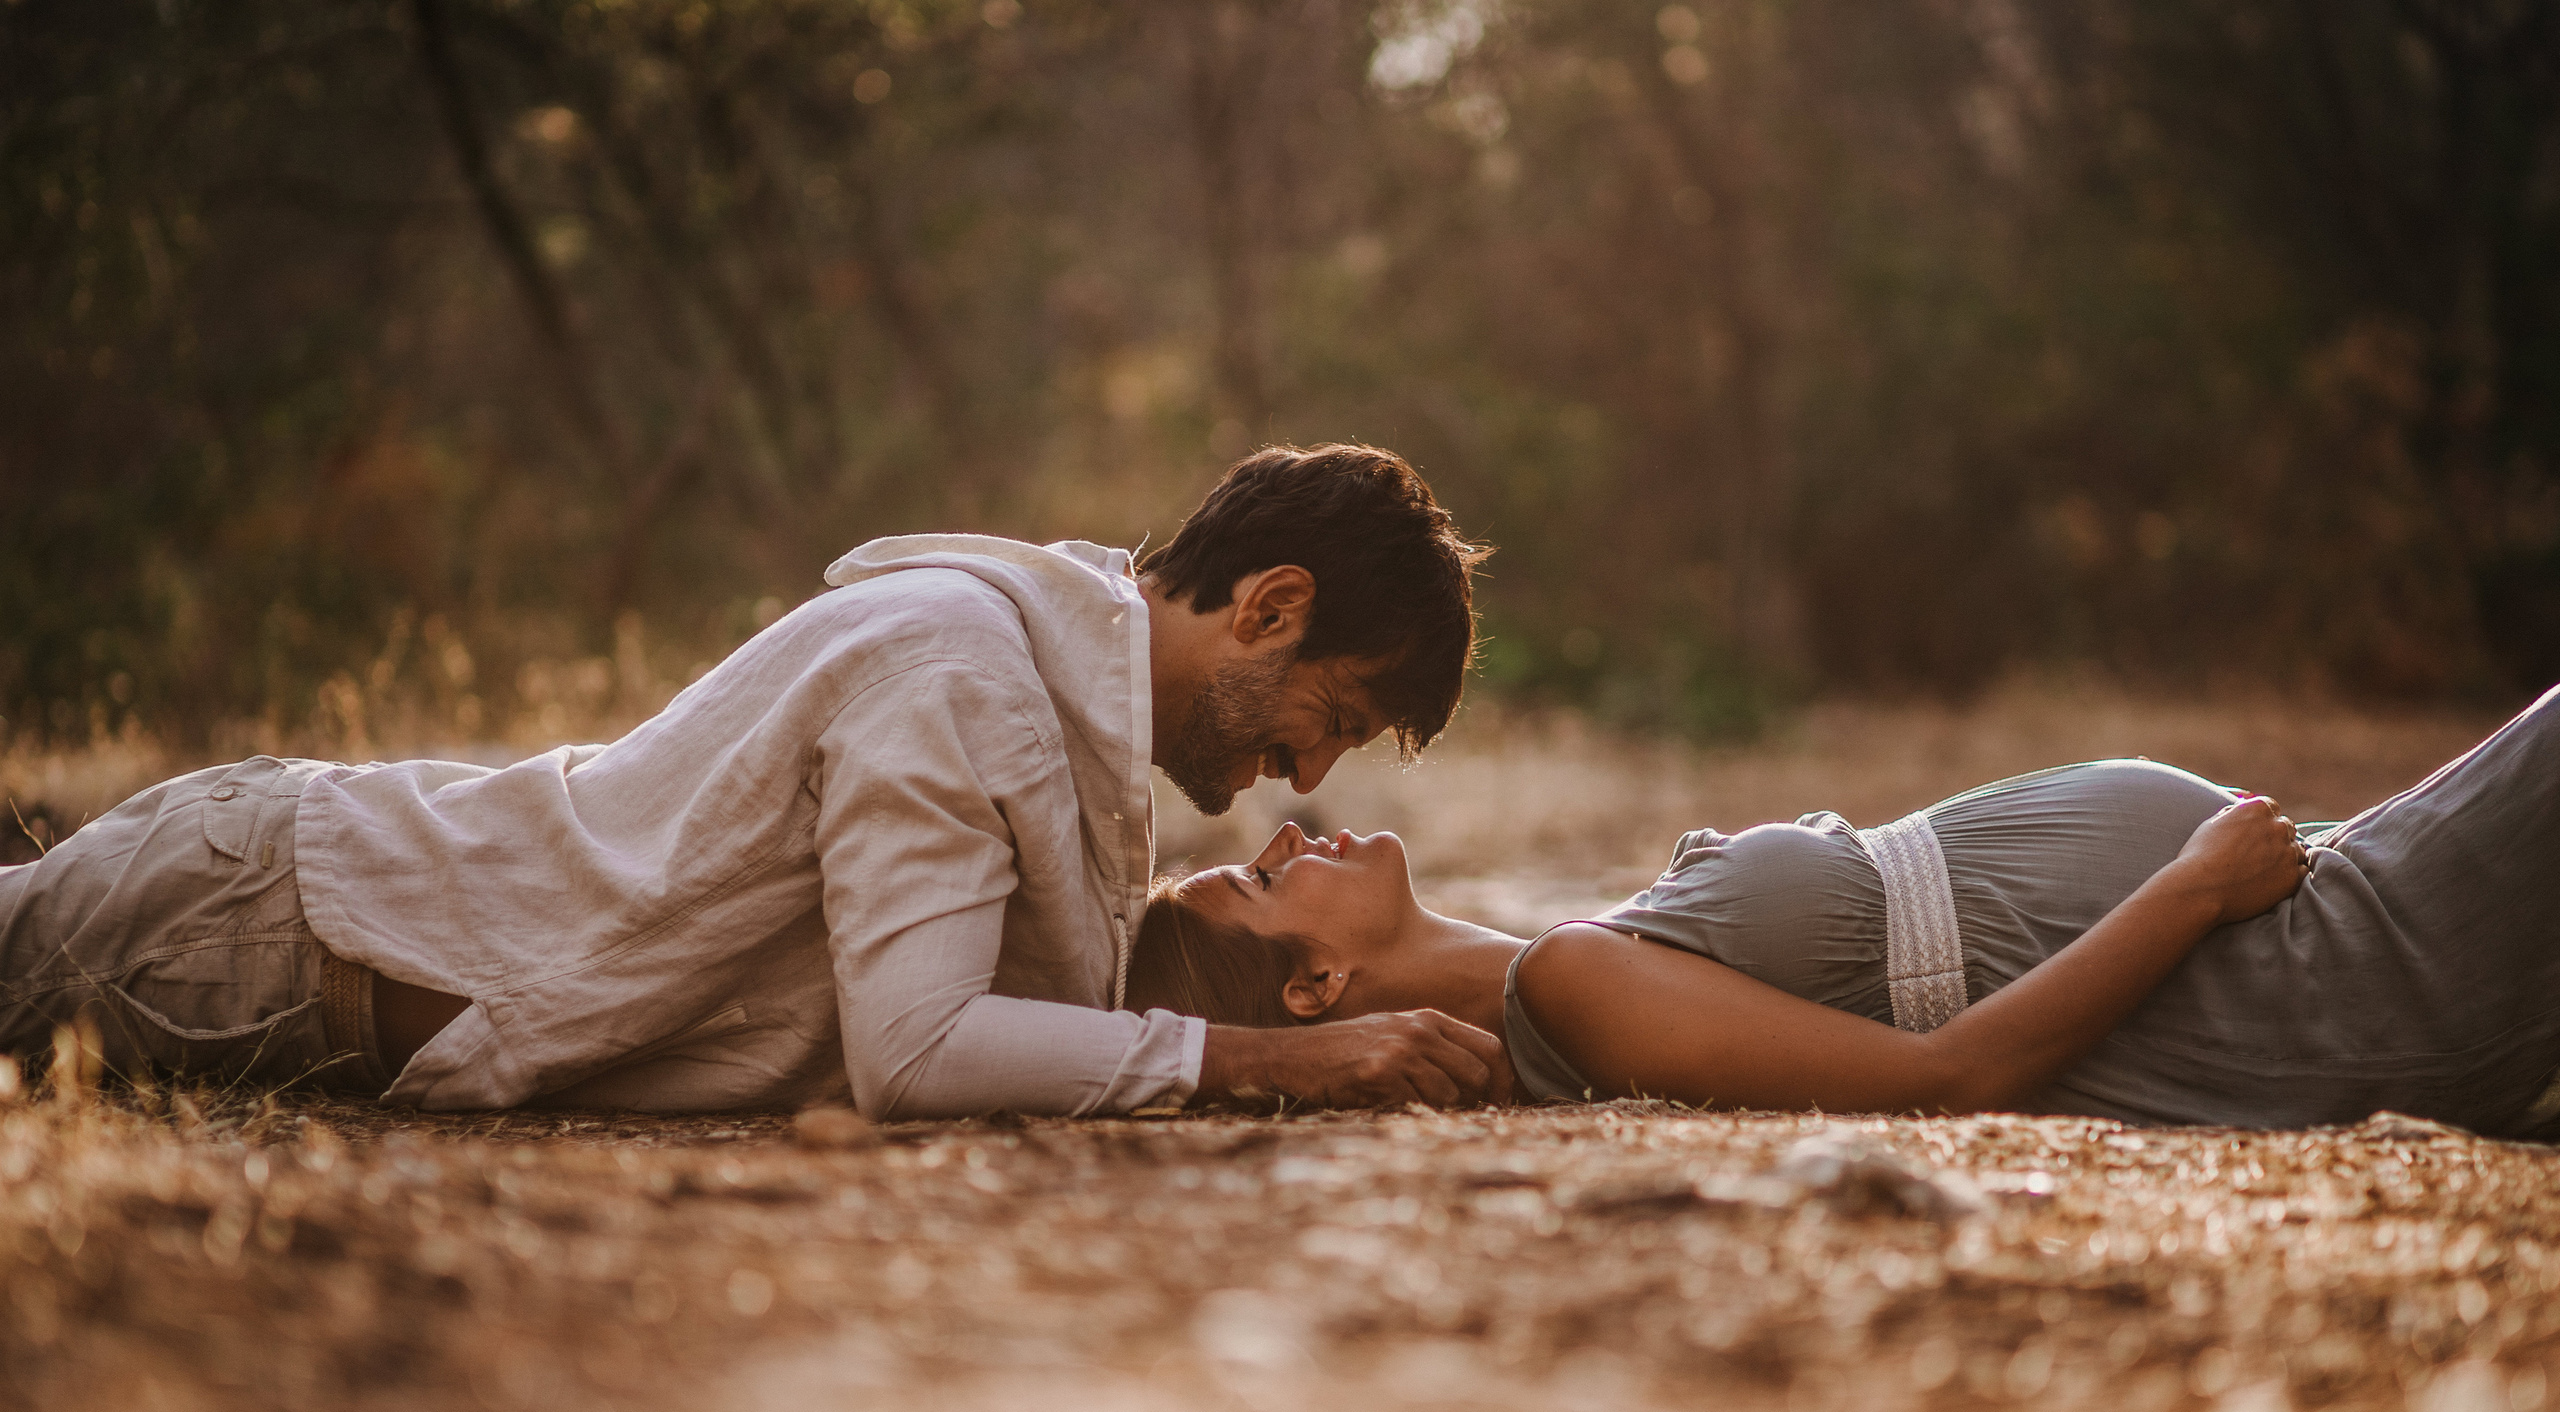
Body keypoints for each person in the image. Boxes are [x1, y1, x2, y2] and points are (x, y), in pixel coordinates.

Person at [0, 443, 1512, 1116]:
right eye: (1332, 715)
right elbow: (918, 1055)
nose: (1303, 774)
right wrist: (1279, 1065)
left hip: (294, 944)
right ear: (1267, 606)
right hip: (263, 924)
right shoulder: (957, 675)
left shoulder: (1057, 720)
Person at [1128, 685, 2560, 1136]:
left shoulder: (1569, 960)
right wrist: (2189, 886)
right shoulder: (1569, 986)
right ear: (1313, 987)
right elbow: (1952, 1081)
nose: (1294, 834)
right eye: (1266, 883)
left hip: (2302, 907)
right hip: (2318, 975)